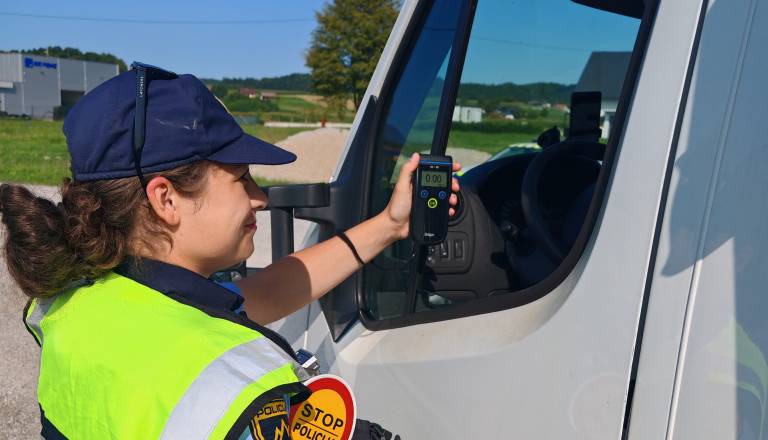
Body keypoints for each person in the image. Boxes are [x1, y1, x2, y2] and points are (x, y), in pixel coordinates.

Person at [0, 63, 460, 440]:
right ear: (166, 199)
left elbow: (261, 293)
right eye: (241, 177)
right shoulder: (244, 398)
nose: (260, 197)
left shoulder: (87, 300)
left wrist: (389, 225)